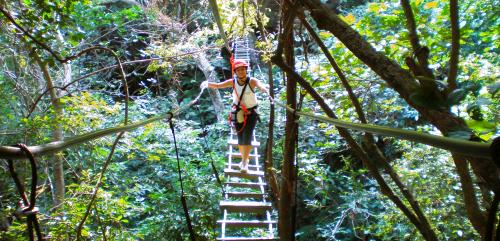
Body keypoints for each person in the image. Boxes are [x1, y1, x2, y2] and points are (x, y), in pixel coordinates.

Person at [200, 59, 269, 173]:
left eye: (243, 69)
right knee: (240, 137)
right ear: (236, 72)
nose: (241, 71)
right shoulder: (233, 82)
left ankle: (245, 162)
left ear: (246, 70)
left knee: (247, 136)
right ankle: (243, 160)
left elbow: (260, 85)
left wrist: (263, 89)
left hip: (251, 113)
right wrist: (207, 84)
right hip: (237, 112)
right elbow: (218, 85)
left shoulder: (252, 81)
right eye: (239, 70)